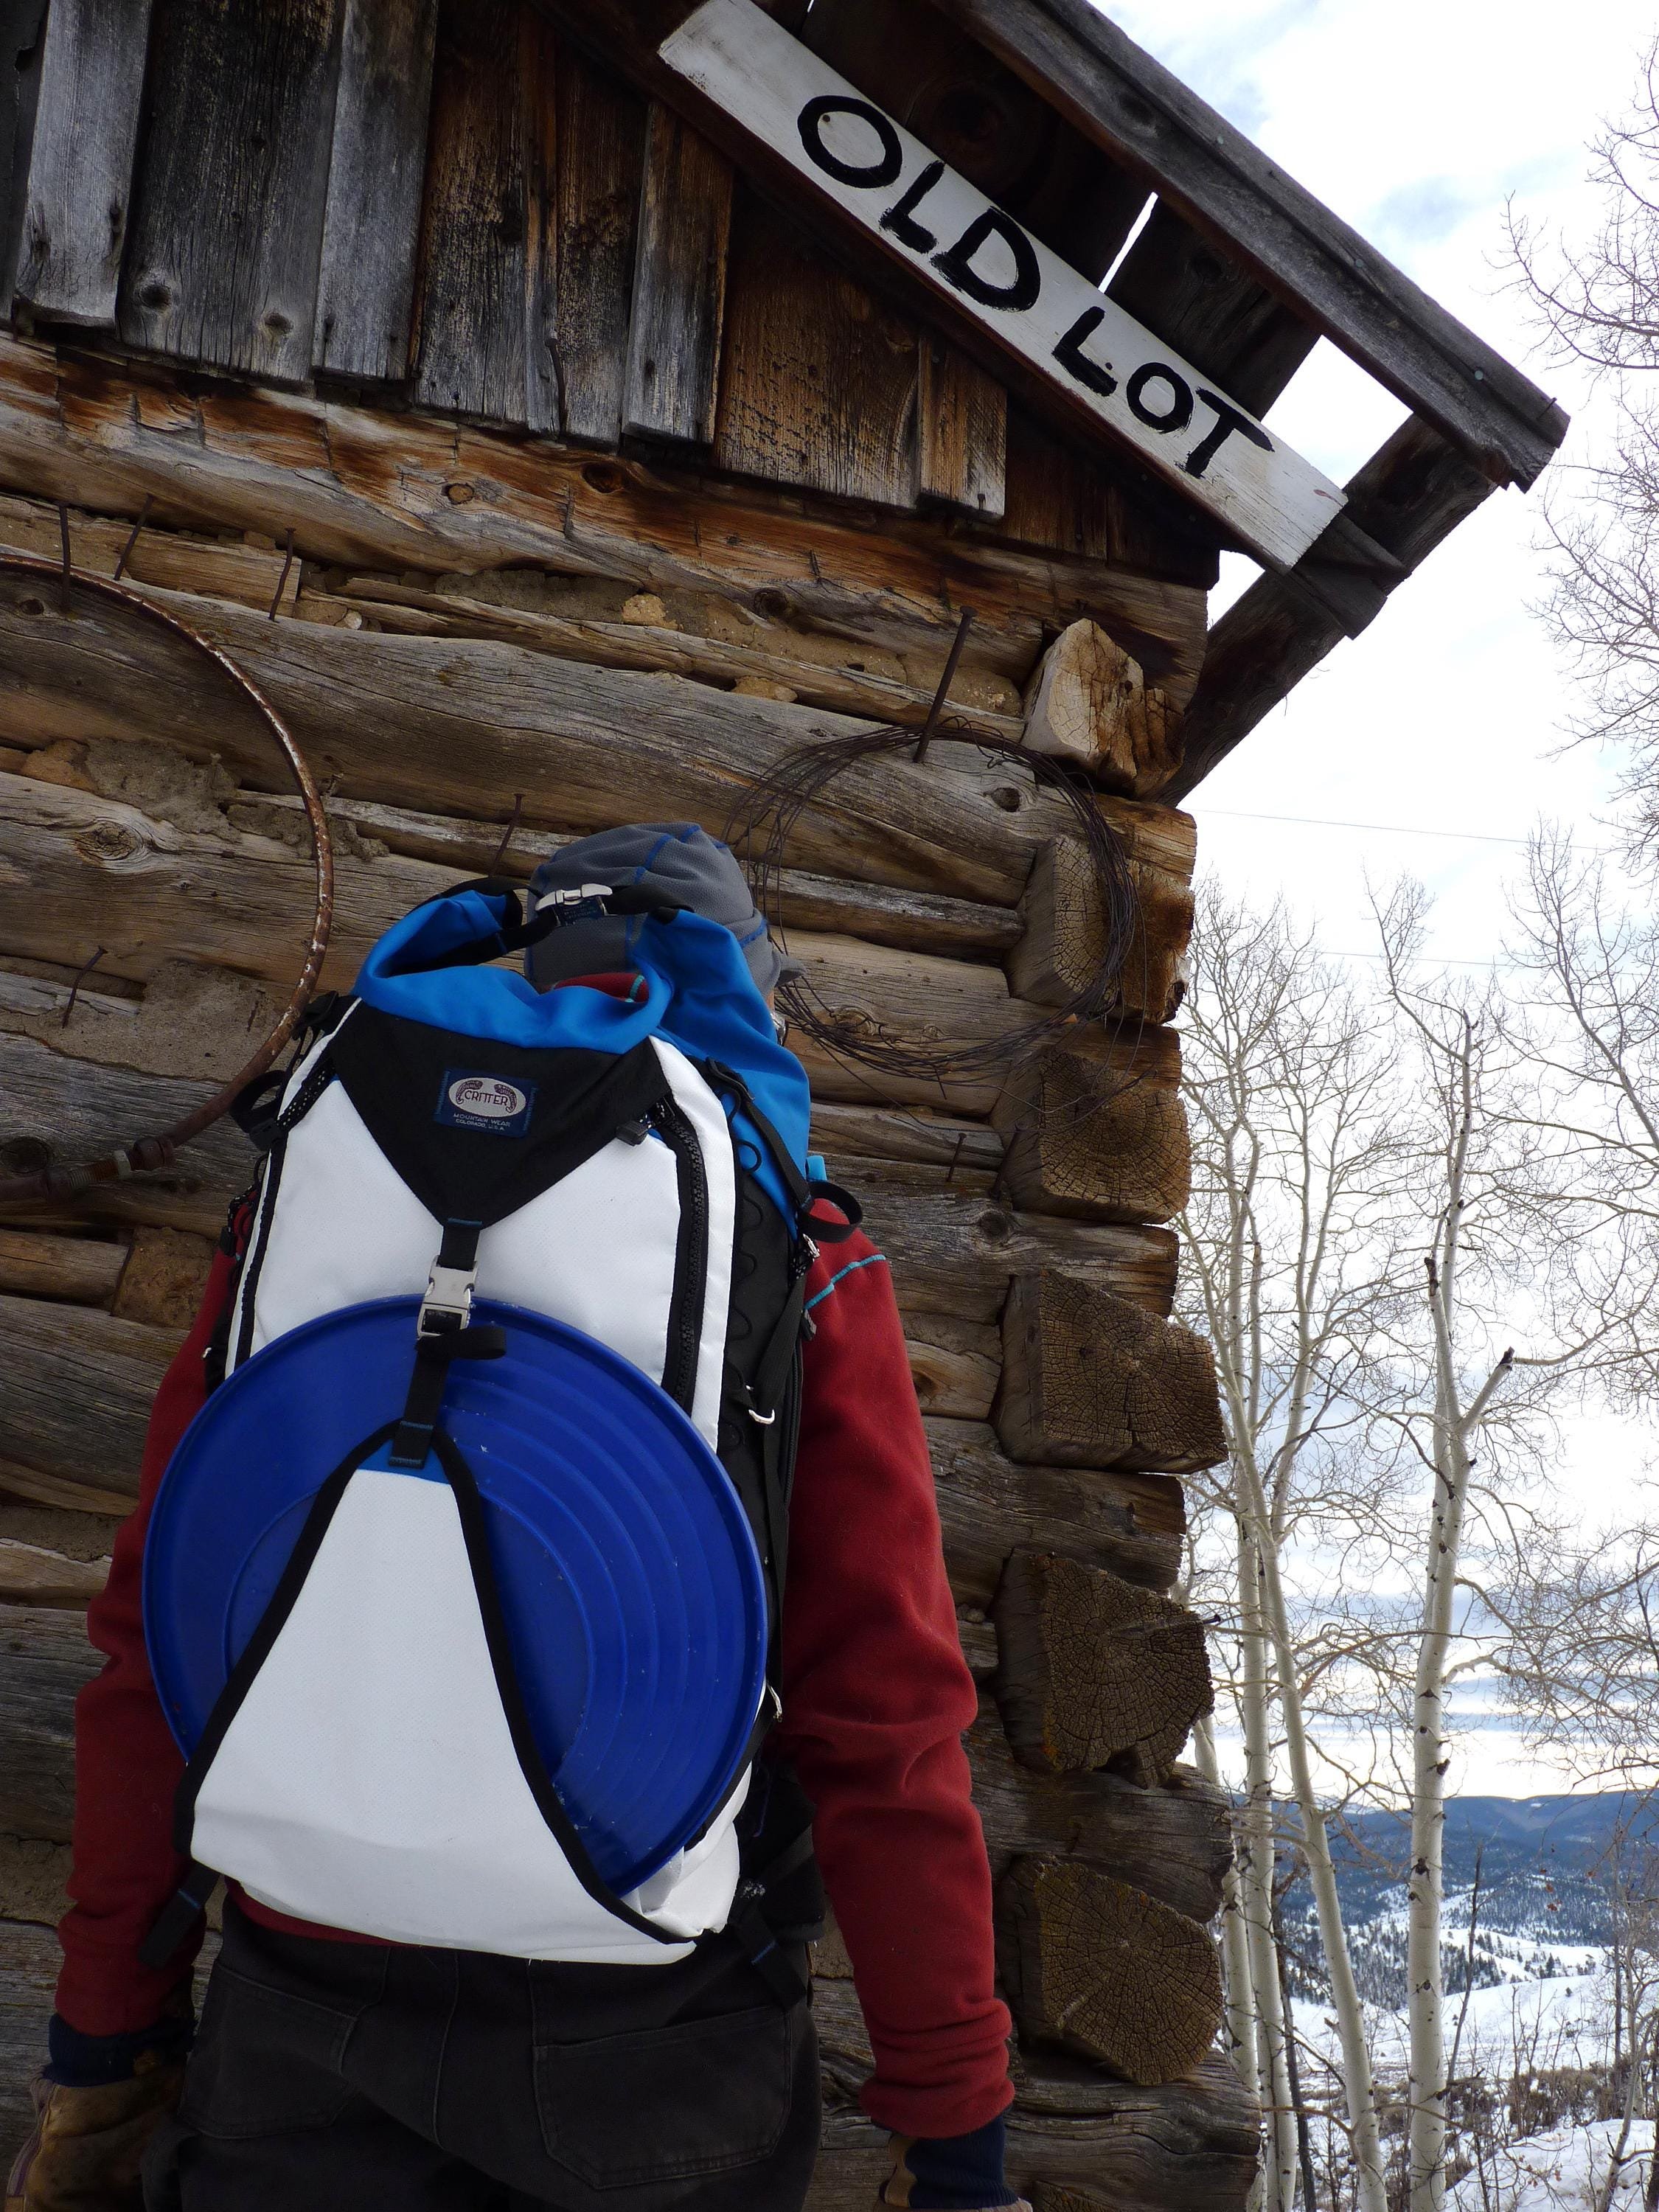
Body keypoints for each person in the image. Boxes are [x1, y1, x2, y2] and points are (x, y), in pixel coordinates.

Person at [7, 827, 1031, 2212]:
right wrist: (953, 2117)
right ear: (742, 975)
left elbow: (160, 1626)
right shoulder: (793, 1245)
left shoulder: (306, 1200)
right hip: (646, 2029)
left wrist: (103, 2033)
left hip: (299, 1993)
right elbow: (883, 1712)